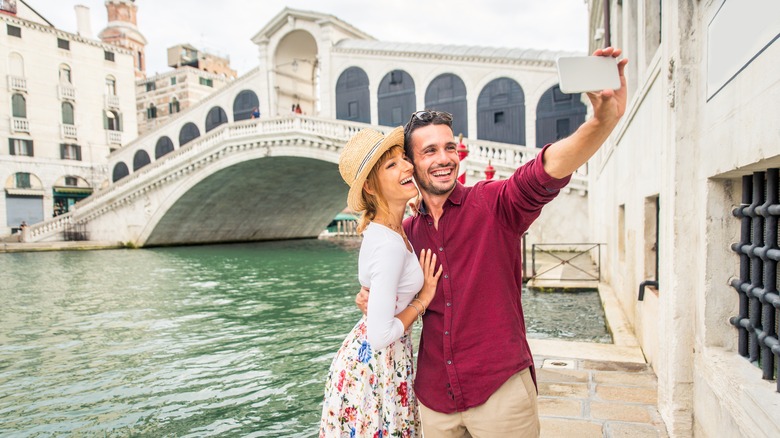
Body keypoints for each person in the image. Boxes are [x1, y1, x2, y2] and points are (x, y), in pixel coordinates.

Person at [356, 47, 628, 437]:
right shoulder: (406, 235)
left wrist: (603, 121)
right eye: (430, 150)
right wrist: (368, 295)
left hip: (500, 394)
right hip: (433, 401)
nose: (444, 157)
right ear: (412, 165)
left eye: (449, 147)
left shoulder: (493, 204)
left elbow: (546, 170)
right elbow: (384, 294)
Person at [319, 126, 444, 437]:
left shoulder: (387, 229)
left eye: (403, 158)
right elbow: (379, 334)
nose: (407, 166)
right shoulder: (389, 244)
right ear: (372, 187)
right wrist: (423, 299)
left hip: (370, 359)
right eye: (392, 165)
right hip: (378, 364)